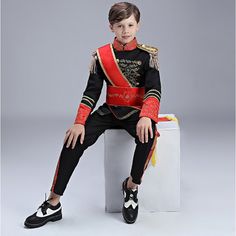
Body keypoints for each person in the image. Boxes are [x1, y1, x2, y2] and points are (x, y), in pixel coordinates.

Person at [24, 1, 161, 228]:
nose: (125, 31)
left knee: (149, 136)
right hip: (109, 111)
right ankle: (53, 203)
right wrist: (79, 122)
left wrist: (147, 115)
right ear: (111, 27)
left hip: (137, 112)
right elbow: (92, 92)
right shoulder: (101, 56)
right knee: (72, 140)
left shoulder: (148, 55)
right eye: (120, 26)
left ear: (138, 26)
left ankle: (131, 187)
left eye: (130, 25)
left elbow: (154, 89)